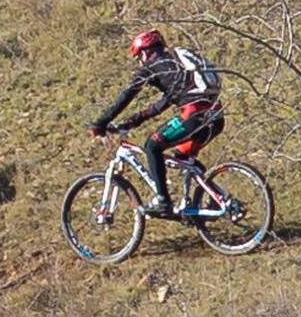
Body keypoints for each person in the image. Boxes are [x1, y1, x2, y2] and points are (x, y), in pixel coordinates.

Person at [89, 29, 224, 214]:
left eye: (138, 57)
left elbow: (127, 95)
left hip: (193, 115)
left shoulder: (152, 67)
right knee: (183, 158)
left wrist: (101, 123)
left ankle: (163, 201)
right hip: (216, 116)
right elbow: (164, 102)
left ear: (144, 52)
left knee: (152, 145)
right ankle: (218, 197)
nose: (139, 62)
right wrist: (133, 121)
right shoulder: (175, 66)